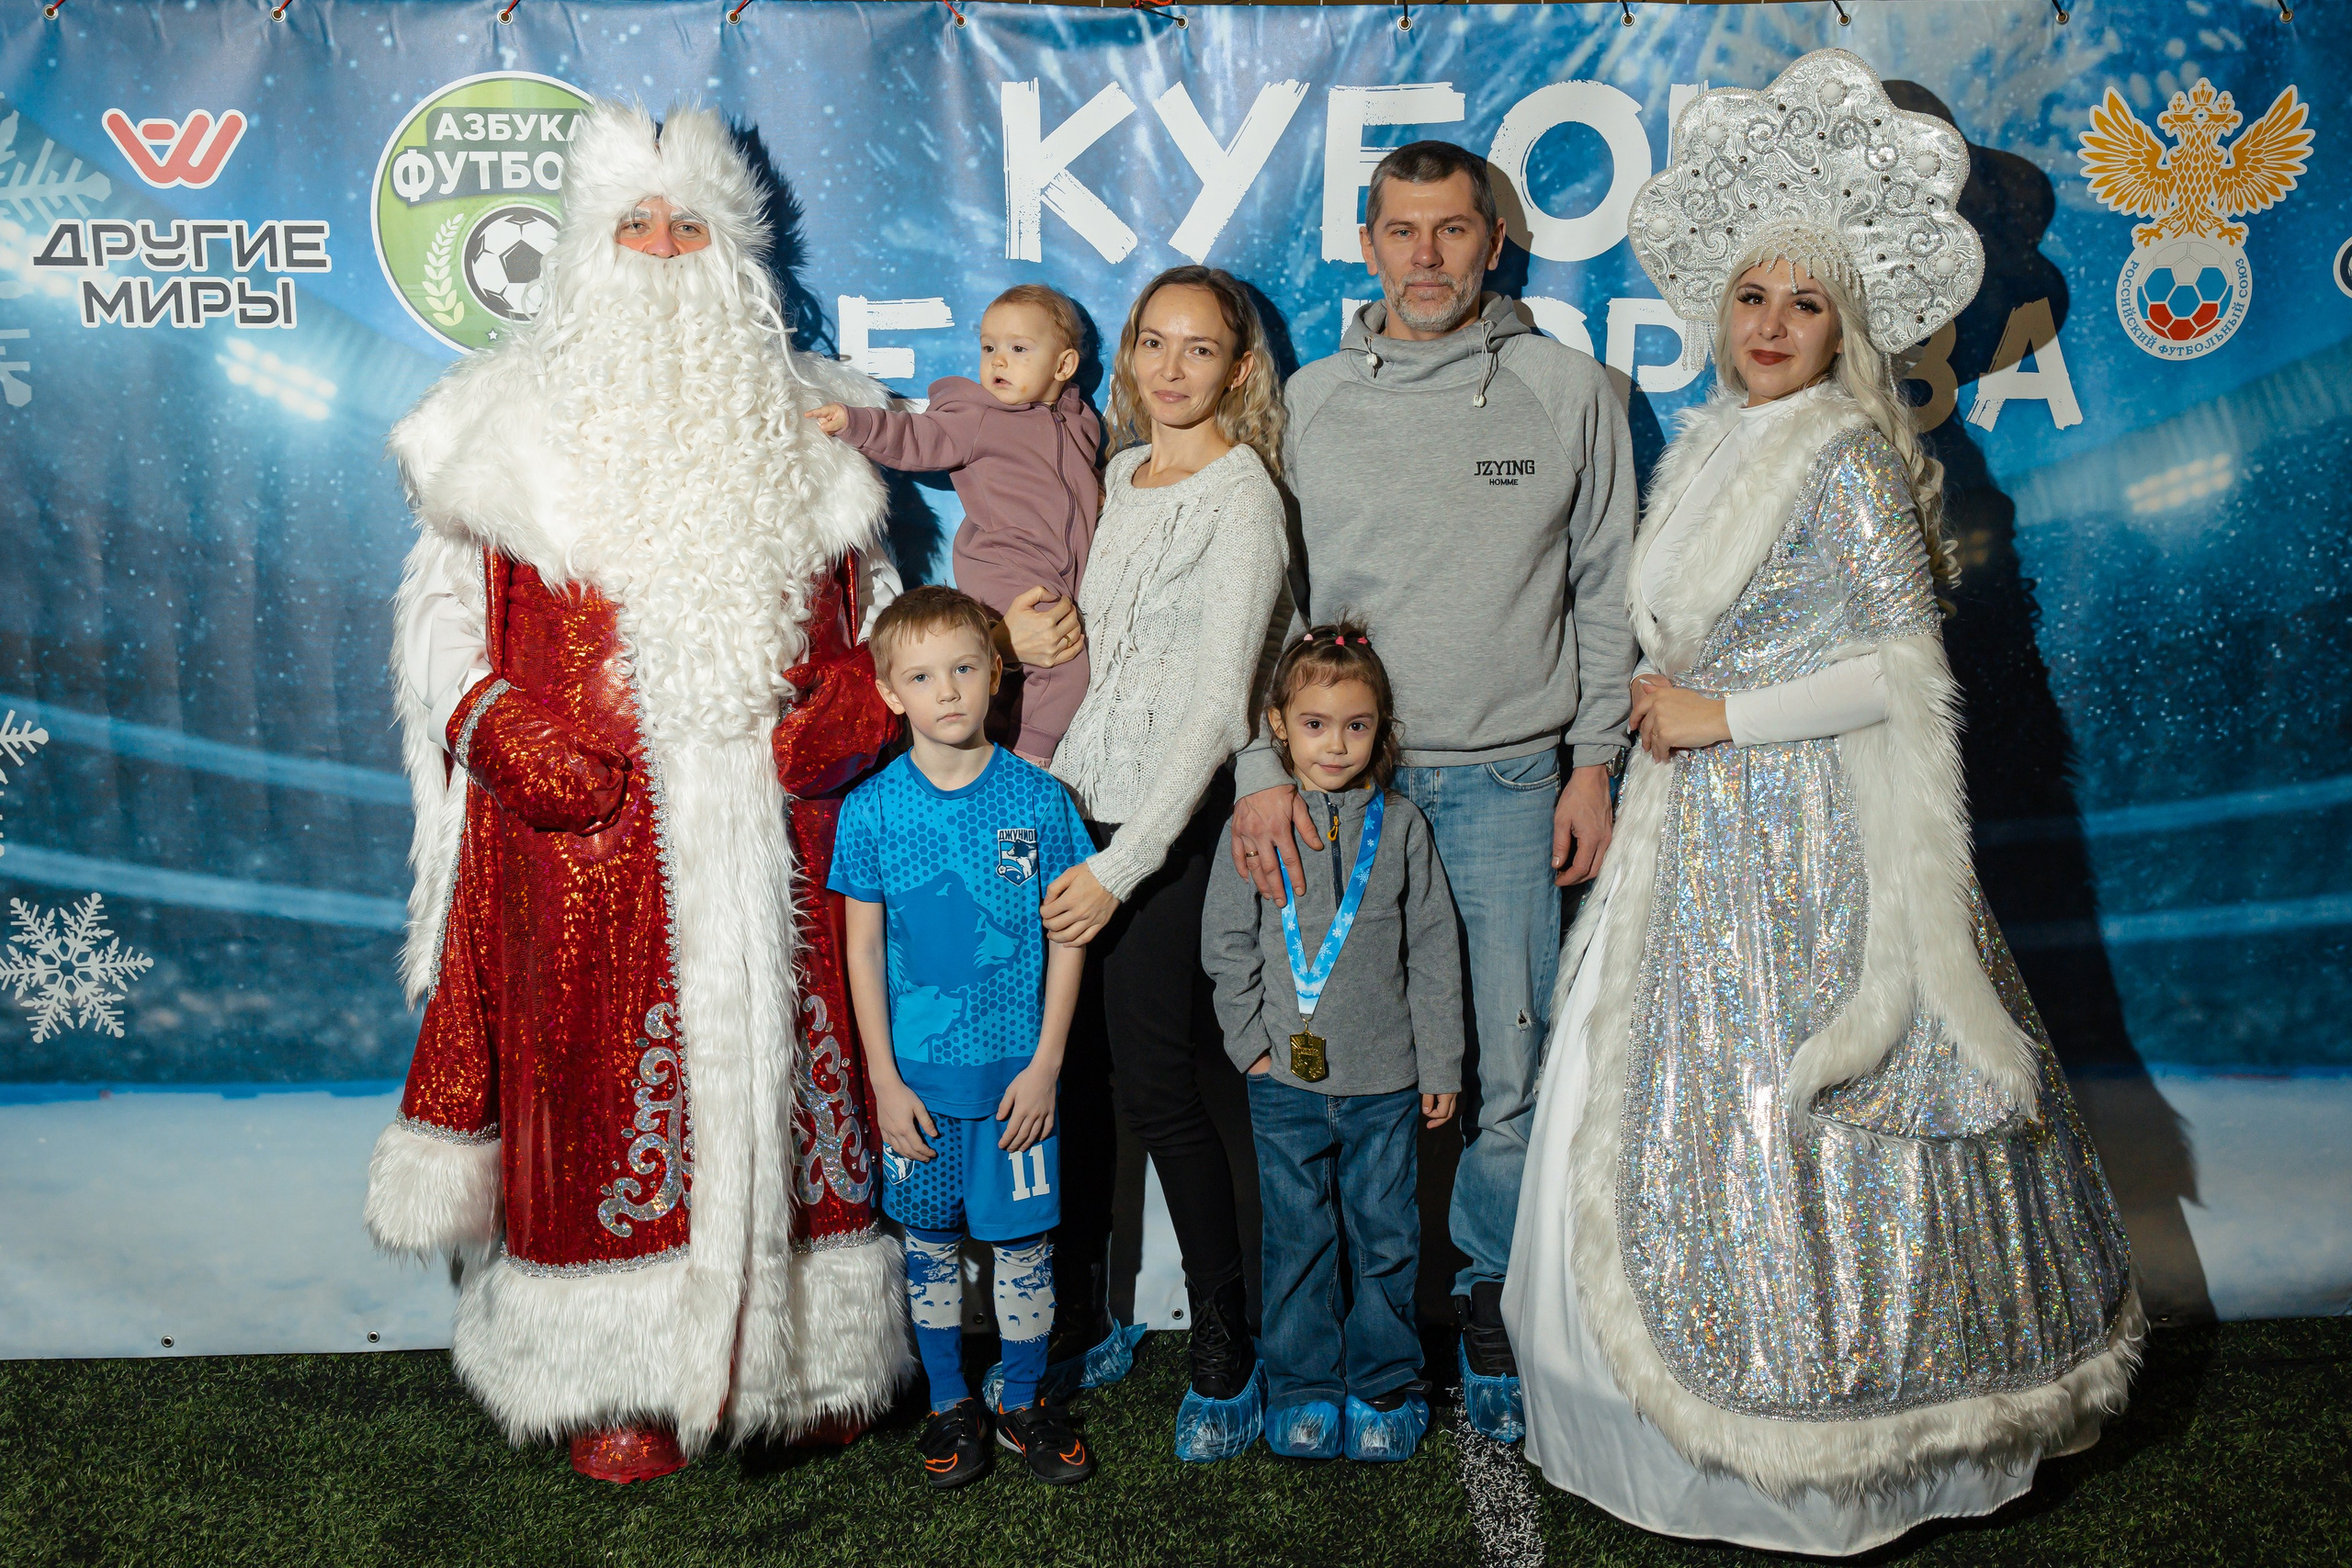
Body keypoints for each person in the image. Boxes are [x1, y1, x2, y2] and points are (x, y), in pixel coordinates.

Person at [1502, 50, 2141, 1554]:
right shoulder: (1717, 436)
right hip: (1694, 834)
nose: (1774, 326)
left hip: (1812, 845)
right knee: (1650, 1125)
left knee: (1802, 1119)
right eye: (1752, 298)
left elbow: (1901, 673)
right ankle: (1669, 1422)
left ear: (1843, 323)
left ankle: (1848, 1434)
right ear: (1720, 310)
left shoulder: (1855, 451)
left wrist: (1719, 715)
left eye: (1805, 304)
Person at [362, 101, 910, 1482]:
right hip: (589, 834)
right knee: (601, 1090)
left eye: (691, 228)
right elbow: (441, 622)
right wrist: (501, 730)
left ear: (736, 253)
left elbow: (881, 610)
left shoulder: (820, 424)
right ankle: (612, 1369)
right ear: (585, 251)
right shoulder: (488, 429)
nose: (665, 252)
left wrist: (851, 709)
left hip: (787, 821)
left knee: (808, 1082)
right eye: (637, 227)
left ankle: (809, 1355)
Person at [1227, 139, 1637, 1443]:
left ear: (1495, 242)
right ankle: (1348, 1341)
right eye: (1402, 230)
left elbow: (1606, 587)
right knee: (1346, 1076)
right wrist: (1258, 768)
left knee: (1506, 1077)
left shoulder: (1572, 389)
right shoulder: (1311, 401)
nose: (1427, 256)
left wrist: (1593, 760)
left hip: (1516, 782)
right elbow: (1267, 606)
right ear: (1366, 242)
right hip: (1347, 801)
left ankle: (1494, 1320)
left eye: (1453, 230)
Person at [1039, 265, 1290, 1462]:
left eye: (1200, 349)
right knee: (1076, 1084)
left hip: (1163, 830)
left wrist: (1125, 865)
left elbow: (1212, 708)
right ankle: (1089, 1311)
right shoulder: (1116, 479)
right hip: (1071, 810)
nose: (1173, 369)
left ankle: (1225, 1338)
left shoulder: (1243, 498)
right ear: (1132, 356)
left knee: (1158, 1087)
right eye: (1155, 344)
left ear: (1238, 368)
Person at [830, 586, 1097, 1489]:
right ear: (890, 693)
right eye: (921, 675)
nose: (946, 690)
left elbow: (1068, 935)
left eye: (964, 669)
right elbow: (862, 948)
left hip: (1019, 1086)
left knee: (1024, 1251)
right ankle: (950, 1402)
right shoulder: (870, 811)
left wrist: (1048, 1065)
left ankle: (1020, 1399)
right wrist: (884, 1082)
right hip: (921, 1090)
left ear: (996, 677)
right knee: (930, 1247)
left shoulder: (1041, 803)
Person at [1201, 624, 1463, 1464]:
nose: (1336, 743)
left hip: (1388, 1079)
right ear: (1279, 724)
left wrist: (1442, 1061)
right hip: (1284, 1082)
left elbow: (1432, 951)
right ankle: (1304, 1386)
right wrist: (1250, 1046)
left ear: (1381, 728)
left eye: (1356, 724)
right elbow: (1227, 943)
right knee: (1297, 1236)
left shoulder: (1405, 827)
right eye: (1315, 723)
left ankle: (1383, 1381)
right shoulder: (1253, 826)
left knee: (1386, 1233)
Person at [807, 285, 1102, 765]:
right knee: (1065, 666)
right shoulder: (980, 418)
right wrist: (855, 423)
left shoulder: (1082, 424)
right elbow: (918, 437)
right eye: (989, 348)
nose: (998, 362)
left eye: (1018, 349)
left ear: (1064, 366)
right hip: (1007, 564)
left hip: (1061, 571)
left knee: (1018, 678)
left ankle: (997, 753)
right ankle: (1030, 764)